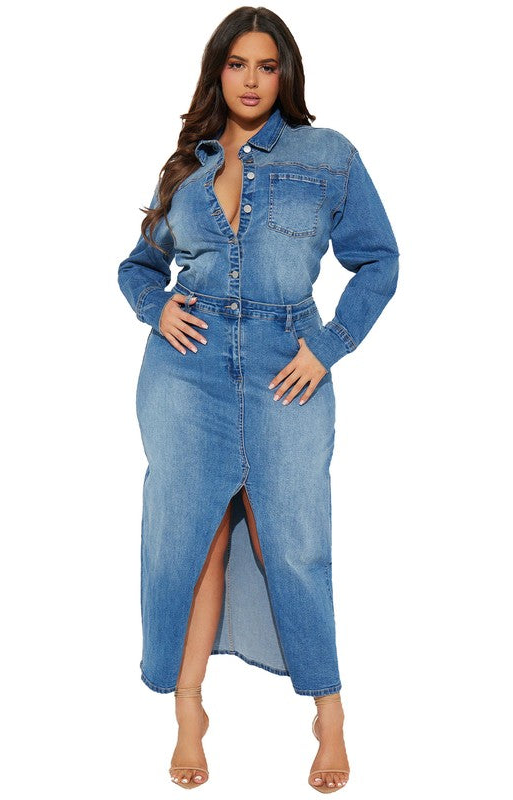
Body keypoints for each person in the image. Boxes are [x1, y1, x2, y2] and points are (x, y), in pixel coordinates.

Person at [117, 7, 399, 793]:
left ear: (285, 74)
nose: (250, 80)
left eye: (265, 66)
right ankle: (188, 709)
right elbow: (138, 266)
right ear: (217, 72)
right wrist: (154, 307)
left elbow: (378, 260)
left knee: (294, 542)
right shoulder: (186, 164)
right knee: (189, 540)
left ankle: (328, 713)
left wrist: (328, 346)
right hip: (186, 370)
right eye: (236, 64)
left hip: (287, 367)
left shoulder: (327, 154)